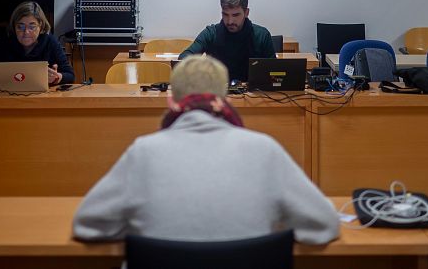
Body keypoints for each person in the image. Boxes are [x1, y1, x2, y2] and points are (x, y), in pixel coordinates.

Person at [72, 55, 339, 244]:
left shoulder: (144, 152)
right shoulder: (264, 149)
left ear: (171, 101)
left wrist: (140, 229)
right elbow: (324, 223)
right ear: (224, 100)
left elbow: (86, 224)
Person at [179, 0, 274, 81]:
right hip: (218, 88)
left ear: (246, 12)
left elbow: (273, 71)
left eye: (235, 15)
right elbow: (184, 58)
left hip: (252, 89)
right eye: (225, 14)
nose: (230, 21)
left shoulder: (262, 35)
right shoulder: (211, 33)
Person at [0, 1, 75, 86]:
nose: (26, 32)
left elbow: (70, 75)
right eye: (20, 27)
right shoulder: (2, 44)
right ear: (14, 27)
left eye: (32, 27)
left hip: (42, 97)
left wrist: (57, 77)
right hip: (8, 96)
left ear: (40, 26)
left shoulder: (50, 42)